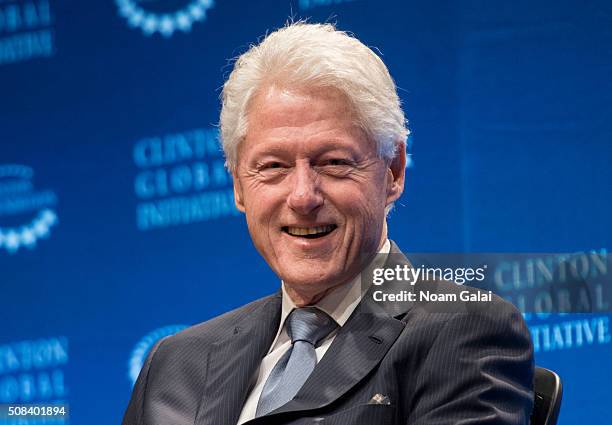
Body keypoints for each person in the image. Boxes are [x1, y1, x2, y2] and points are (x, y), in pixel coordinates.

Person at [122, 22, 534, 425]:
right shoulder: (175, 364)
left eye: (334, 162)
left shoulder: (463, 331)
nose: (302, 196)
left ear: (393, 172)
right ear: (239, 189)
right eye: (273, 166)